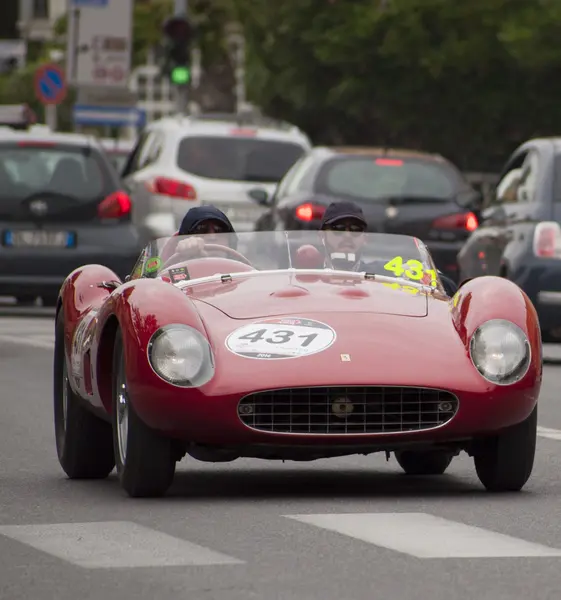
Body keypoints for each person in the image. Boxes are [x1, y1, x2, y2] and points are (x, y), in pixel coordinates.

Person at [302, 201, 458, 295]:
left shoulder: (382, 272)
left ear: (365, 238)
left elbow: (445, 285)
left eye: (356, 230)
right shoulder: (304, 275)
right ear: (321, 236)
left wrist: (429, 278)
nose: (347, 235)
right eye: (339, 228)